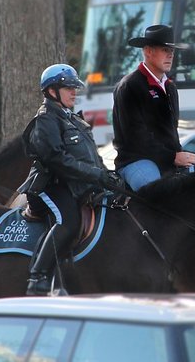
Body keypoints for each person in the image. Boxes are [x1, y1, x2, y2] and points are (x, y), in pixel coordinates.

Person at [18, 63, 121, 296]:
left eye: (75, 87)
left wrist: (106, 174)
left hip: (76, 184)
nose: (74, 92)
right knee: (68, 222)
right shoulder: (46, 119)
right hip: (50, 185)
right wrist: (95, 175)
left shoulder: (72, 118)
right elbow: (56, 160)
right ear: (52, 91)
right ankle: (38, 276)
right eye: (68, 87)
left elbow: (91, 156)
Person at [112, 24, 195, 191]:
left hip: (168, 160)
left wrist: (179, 154)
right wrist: (173, 156)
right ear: (148, 51)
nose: (170, 55)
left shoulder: (171, 88)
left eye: (172, 51)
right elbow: (135, 137)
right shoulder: (129, 86)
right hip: (136, 160)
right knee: (157, 192)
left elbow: (171, 132)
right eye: (165, 50)